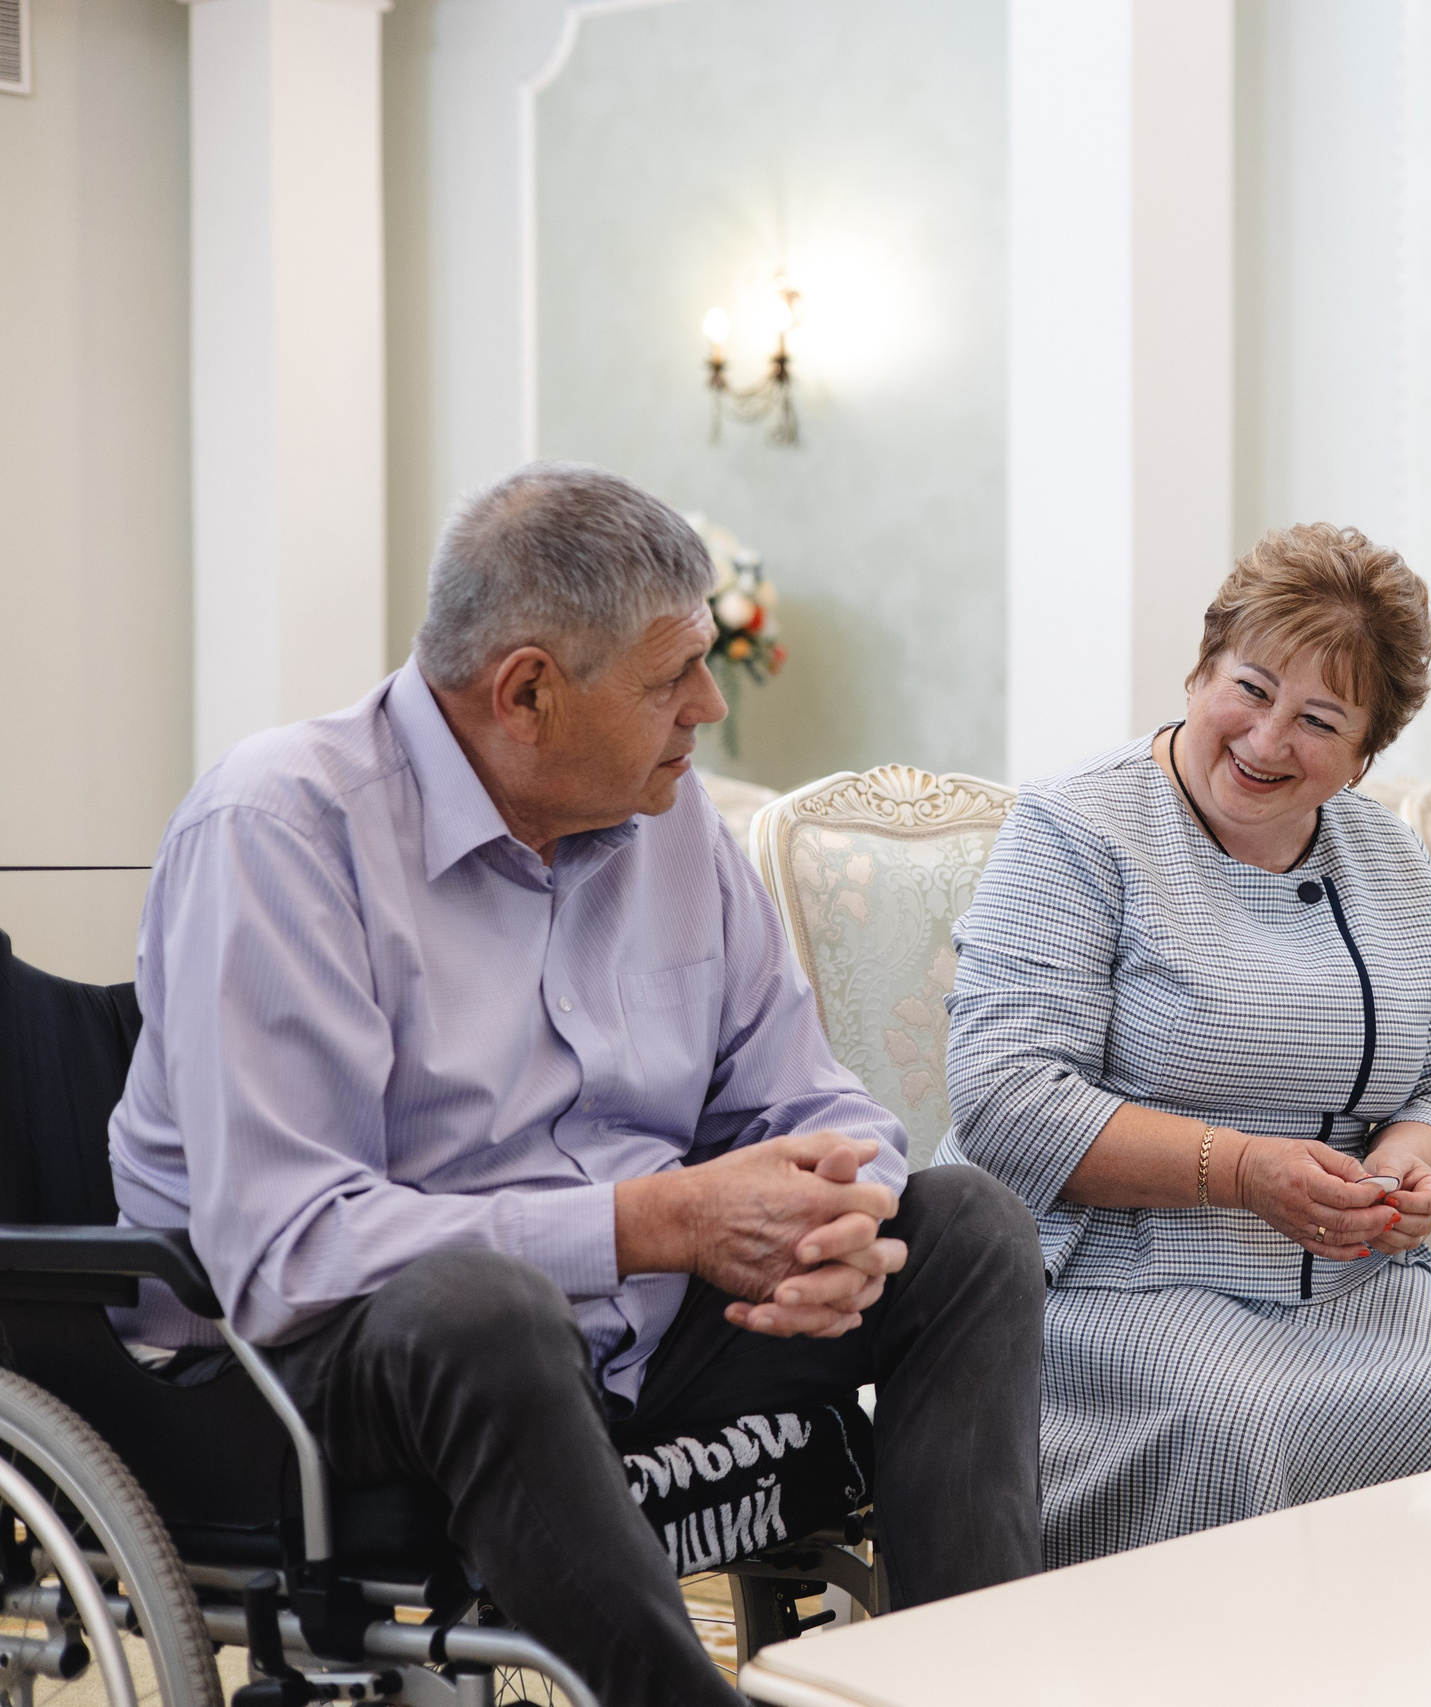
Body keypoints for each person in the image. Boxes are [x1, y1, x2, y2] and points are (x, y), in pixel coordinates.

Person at [108, 463, 1045, 1707]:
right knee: (487, 1307)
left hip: (630, 1343)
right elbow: (291, 1251)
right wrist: (662, 1224)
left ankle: (959, 1691)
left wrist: (841, 1217)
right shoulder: (279, 828)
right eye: (671, 680)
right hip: (311, 1380)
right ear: (528, 693)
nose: (709, 706)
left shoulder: (672, 821)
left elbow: (809, 1097)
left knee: (965, 1225)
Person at [944, 523, 1431, 1567]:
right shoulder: (1078, 828)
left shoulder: (1387, 856)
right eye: (1250, 689)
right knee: (1242, 1425)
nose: (1266, 741)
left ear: (1362, 757)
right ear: (1200, 669)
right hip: (1115, 1277)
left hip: (1348, 1274)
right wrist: (1246, 1170)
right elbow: (1003, 1094)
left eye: (1318, 720)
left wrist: (1418, 1161)